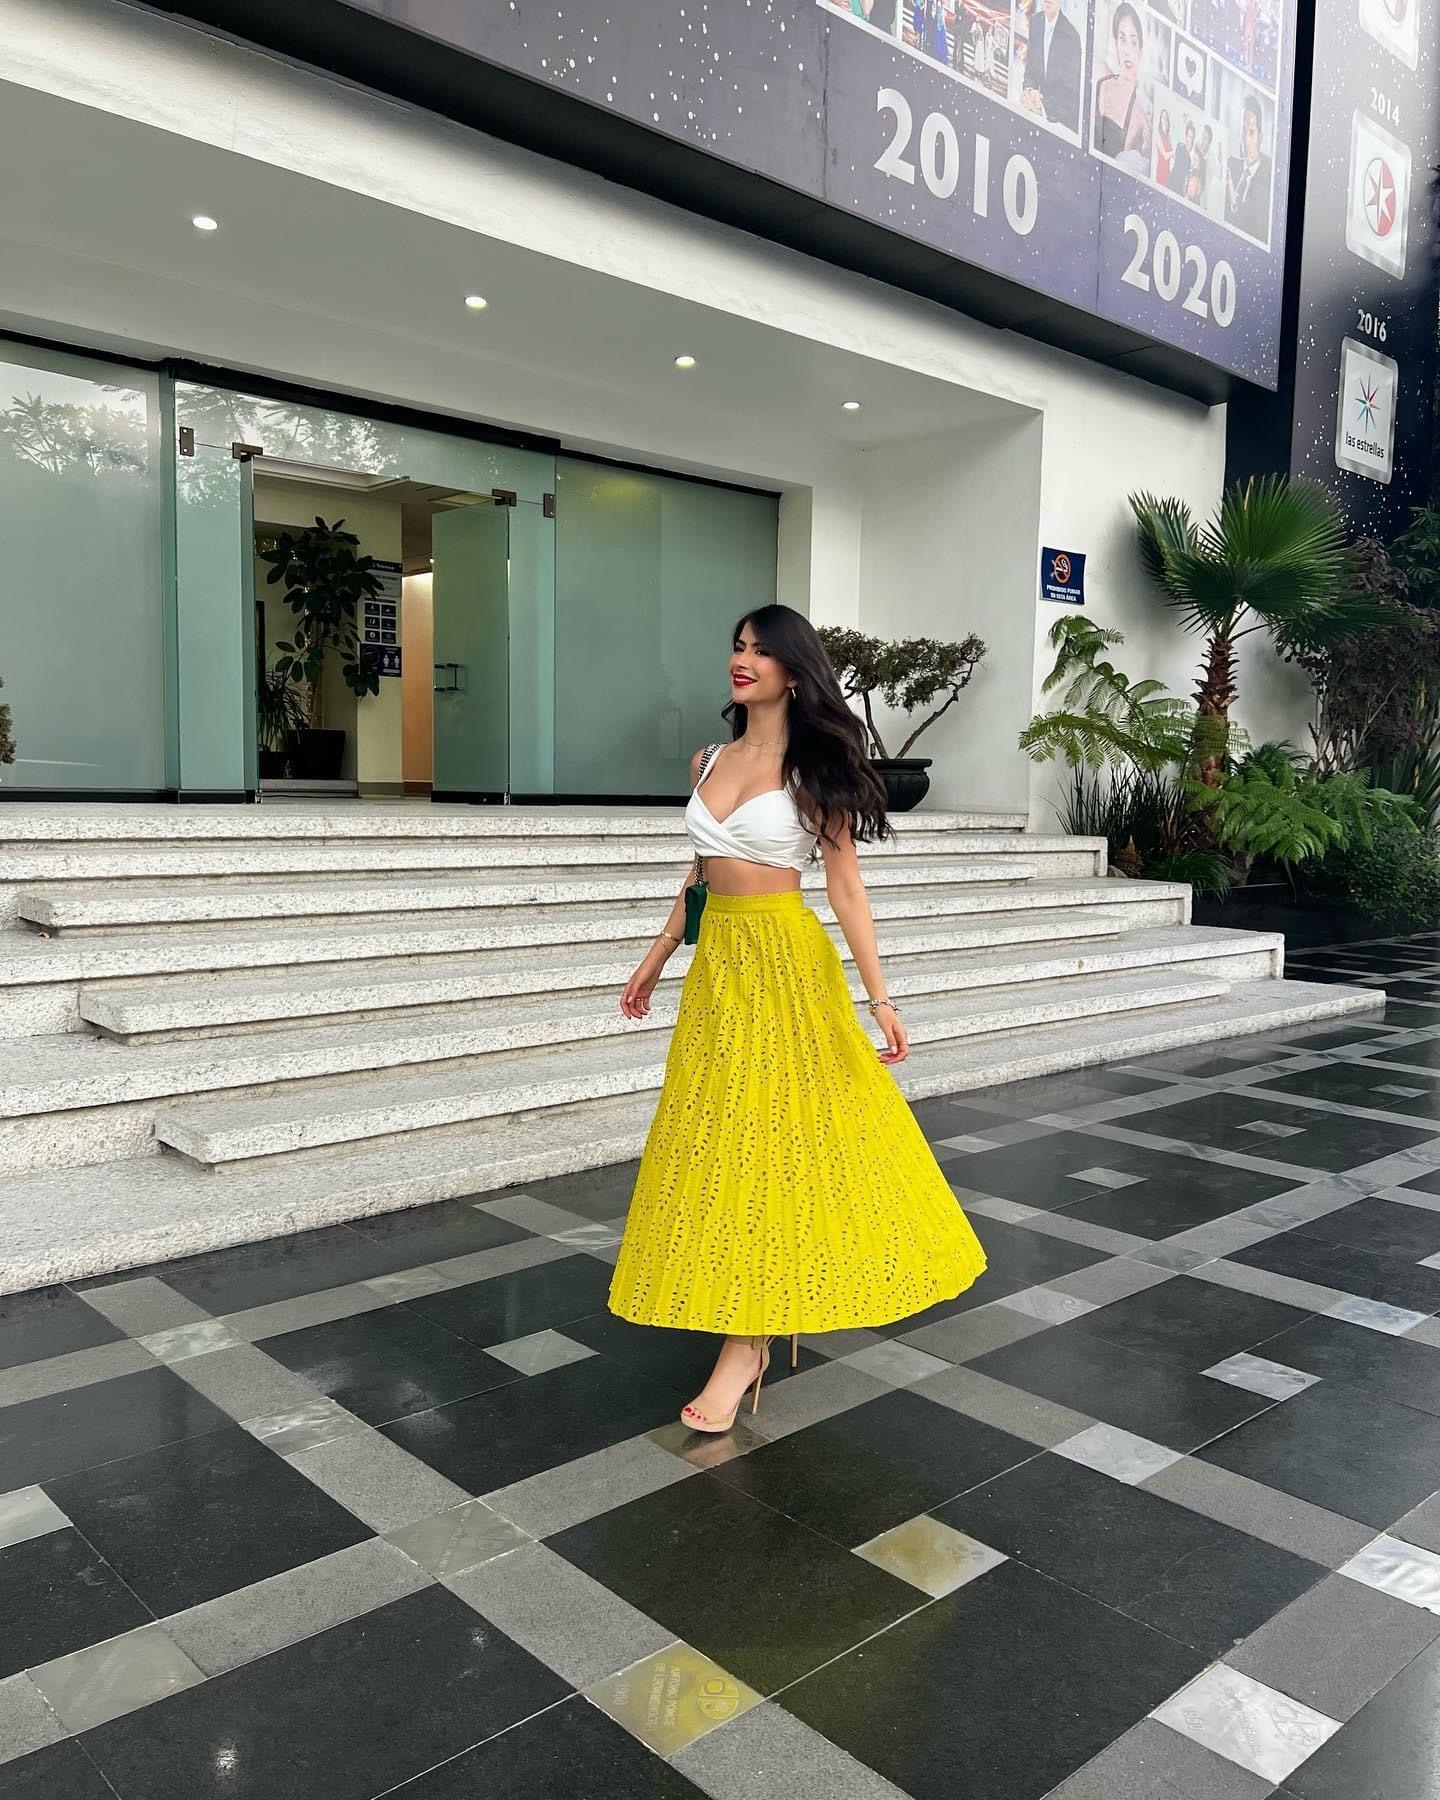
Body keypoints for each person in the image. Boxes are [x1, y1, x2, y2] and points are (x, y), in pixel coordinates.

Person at [609, 605, 987, 1432]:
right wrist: (656, 954)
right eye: (737, 646)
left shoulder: (815, 770)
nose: (742, 660)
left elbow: (846, 889)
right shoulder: (707, 759)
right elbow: (700, 872)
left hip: (786, 965)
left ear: (793, 670)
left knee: (773, 1141)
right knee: (721, 1140)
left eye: (761, 650)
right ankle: (752, 1315)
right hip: (720, 970)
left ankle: (745, 1346)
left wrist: (880, 998)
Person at [1092, 3, 1152, 171]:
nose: (1127, 50)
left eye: (1133, 42)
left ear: (1140, 52)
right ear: (1115, 44)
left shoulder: (1140, 116)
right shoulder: (1100, 78)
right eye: (1122, 39)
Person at [1020, 0, 1083, 134]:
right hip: (1037, 114)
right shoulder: (1035, 21)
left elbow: (1069, 92)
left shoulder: (1071, 36)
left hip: (1061, 122)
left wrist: (1042, 105)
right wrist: (1029, 90)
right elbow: (1030, 69)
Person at [1226, 93, 1272, 239]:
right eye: (1243, 131)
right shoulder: (1229, 166)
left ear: (1260, 138)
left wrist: (1235, 206)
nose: (1246, 140)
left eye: (1251, 132)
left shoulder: (1270, 183)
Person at [1187, 122, 1214, 206]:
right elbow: (1191, 164)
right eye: (1202, 135)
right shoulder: (1197, 146)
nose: (1202, 139)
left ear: (1209, 142)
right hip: (1191, 190)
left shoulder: (1211, 159)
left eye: (1205, 137)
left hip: (1201, 199)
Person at [1168, 119, 1196, 194]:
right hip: (1172, 187)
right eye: (1188, 136)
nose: (1189, 139)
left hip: (1179, 190)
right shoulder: (1180, 147)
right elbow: (1180, 169)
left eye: (1192, 137)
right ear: (1185, 136)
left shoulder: (1189, 158)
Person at [1154, 106, 1174, 186]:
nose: (1164, 120)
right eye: (1163, 118)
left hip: (1168, 172)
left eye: (1166, 118)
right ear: (1160, 120)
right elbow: (1165, 156)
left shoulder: (1169, 137)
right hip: (1161, 172)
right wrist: (1175, 151)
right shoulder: (1158, 135)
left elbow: (1173, 156)